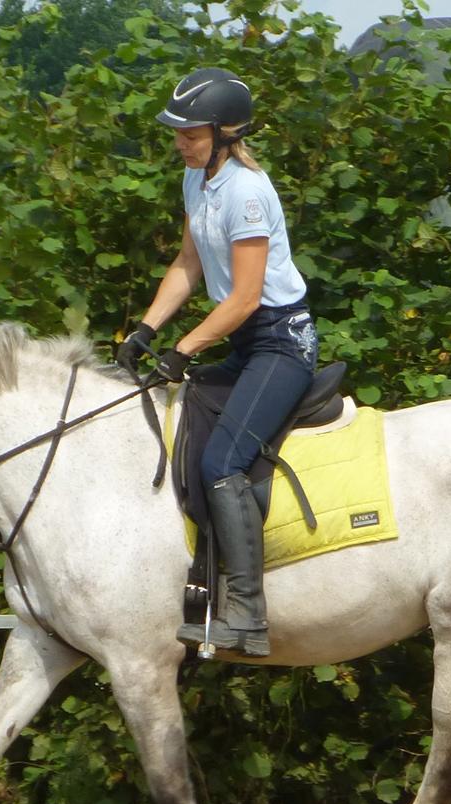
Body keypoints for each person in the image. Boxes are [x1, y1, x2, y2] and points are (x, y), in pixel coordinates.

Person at [116, 67, 318, 658]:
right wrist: (146, 330)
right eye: (177, 132)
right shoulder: (194, 180)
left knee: (223, 460)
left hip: (281, 342)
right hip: (241, 342)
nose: (180, 142)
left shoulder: (247, 193)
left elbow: (247, 297)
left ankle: (249, 616)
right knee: (179, 426)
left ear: (226, 133)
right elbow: (188, 264)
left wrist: (185, 348)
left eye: (191, 132)